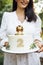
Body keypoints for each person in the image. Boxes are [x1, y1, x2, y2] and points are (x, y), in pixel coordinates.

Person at [0, 0, 43, 65]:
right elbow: (2, 37)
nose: (24, 0)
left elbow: (37, 38)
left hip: (31, 60)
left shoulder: (36, 18)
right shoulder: (7, 16)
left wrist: (39, 44)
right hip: (11, 60)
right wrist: (7, 43)